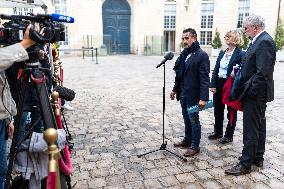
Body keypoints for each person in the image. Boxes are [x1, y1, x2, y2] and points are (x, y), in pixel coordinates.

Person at [225, 15, 276, 175]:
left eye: (246, 28)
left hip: (255, 95)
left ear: (255, 27)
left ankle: (245, 164)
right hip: (254, 93)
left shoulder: (264, 41)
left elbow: (262, 73)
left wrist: (248, 91)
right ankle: (257, 157)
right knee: (258, 127)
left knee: (251, 130)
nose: (245, 32)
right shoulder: (258, 41)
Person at [0, 25, 37, 188]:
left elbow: (3, 88)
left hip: (2, 119)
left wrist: (8, 118)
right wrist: (26, 43)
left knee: (1, 169)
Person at [170, 28, 210, 157]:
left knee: (194, 120)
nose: (184, 41)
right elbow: (179, 75)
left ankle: (195, 145)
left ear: (194, 38)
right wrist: (175, 89)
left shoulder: (201, 55)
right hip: (183, 93)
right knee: (186, 118)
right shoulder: (184, 54)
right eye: (183, 38)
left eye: (187, 38)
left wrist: (203, 98)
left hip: (194, 94)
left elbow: (204, 78)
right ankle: (187, 140)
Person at [208, 30, 245, 144]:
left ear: (236, 38)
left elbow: (242, 72)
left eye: (229, 36)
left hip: (231, 85)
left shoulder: (241, 54)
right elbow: (216, 70)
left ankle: (229, 135)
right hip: (219, 83)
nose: (226, 37)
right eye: (226, 36)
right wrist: (213, 84)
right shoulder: (222, 53)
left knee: (231, 111)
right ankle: (218, 131)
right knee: (218, 109)